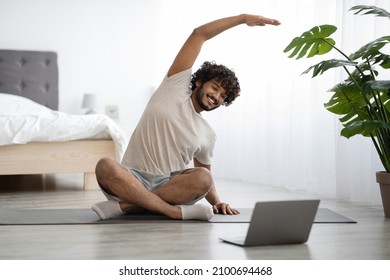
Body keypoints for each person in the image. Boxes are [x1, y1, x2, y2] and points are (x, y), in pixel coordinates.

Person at [92, 14, 281, 220]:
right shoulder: (175, 86)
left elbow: (204, 177)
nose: (216, 97)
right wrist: (242, 18)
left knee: (203, 177)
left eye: (223, 96)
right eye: (215, 87)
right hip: (132, 178)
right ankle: (172, 211)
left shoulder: (208, 133)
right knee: (105, 165)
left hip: (169, 184)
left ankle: (127, 206)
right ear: (199, 81)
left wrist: (217, 203)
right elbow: (199, 35)